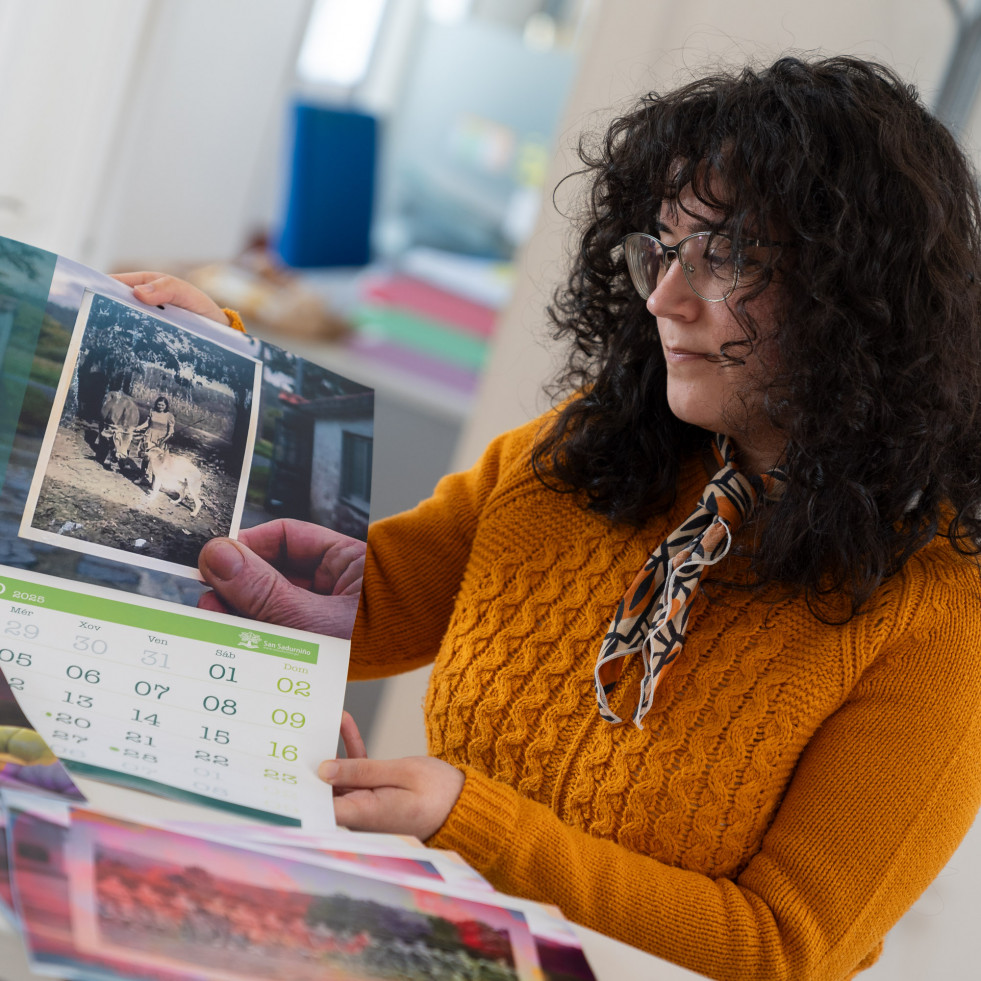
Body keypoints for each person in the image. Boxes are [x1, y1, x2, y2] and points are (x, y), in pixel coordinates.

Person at [121, 56, 981, 981]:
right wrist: (221, 384)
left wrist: (470, 820)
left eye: (725, 256)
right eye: (661, 247)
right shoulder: (582, 445)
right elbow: (364, 606)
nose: (663, 298)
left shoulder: (941, 614)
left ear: (857, 295)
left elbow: (787, 946)